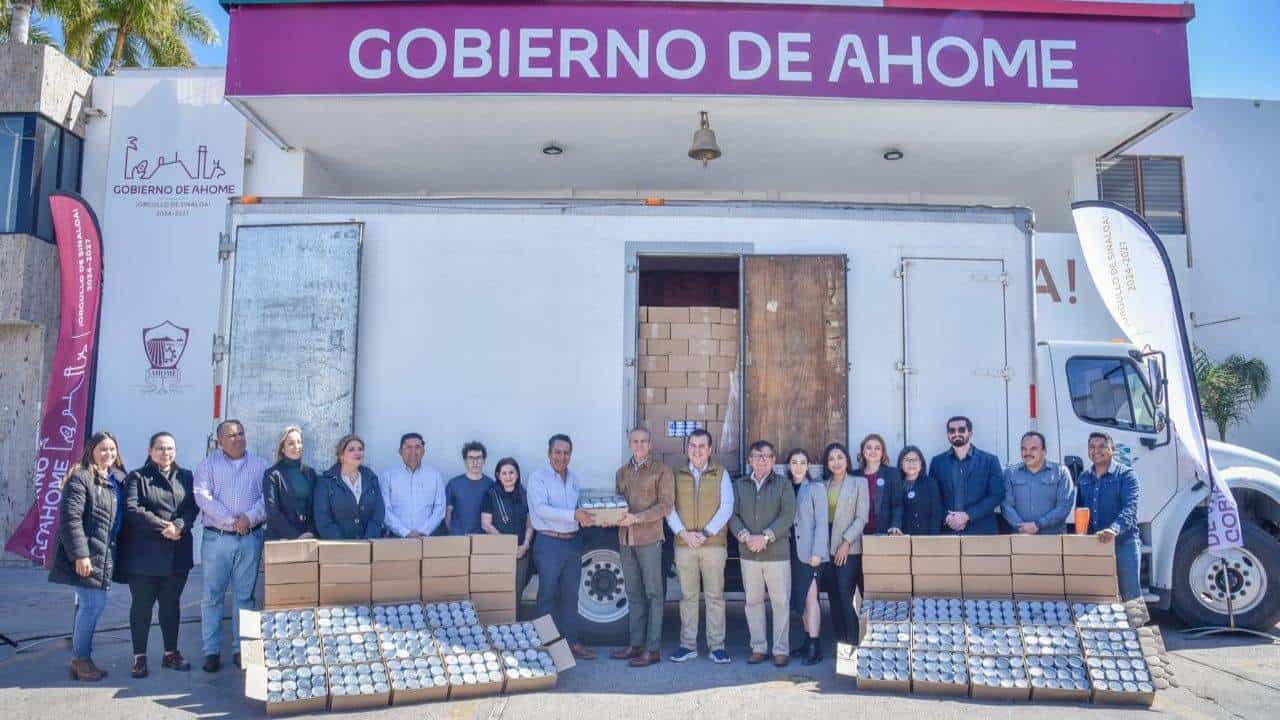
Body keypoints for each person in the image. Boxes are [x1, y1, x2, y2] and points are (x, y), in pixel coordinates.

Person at [118, 431, 198, 678]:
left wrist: (179, 526)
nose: (166, 453)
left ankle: (170, 654)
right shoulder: (137, 477)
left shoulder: (186, 476)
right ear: (150, 451)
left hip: (176, 553)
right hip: (144, 556)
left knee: (171, 606)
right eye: (161, 448)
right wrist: (164, 526)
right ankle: (139, 657)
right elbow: (132, 509)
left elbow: (192, 507)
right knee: (142, 607)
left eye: (170, 448)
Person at [48, 431, 126, 682]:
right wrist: (80, 555)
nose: (108, 453)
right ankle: (80, 660)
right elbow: (70, 519)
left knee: (93, 605)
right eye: (102, 449)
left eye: (112, 449)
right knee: (92, 605)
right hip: (87, 555)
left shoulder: (112, 479)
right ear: (91, 451)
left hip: (103, 553)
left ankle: (83, 658)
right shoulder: (81, 477)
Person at [194, 419, 269, 673]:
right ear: (220, 441)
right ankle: (211, 651)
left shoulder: (260, 465)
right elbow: (203, 497)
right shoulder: (208, 465)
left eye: (241, 433)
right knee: (212, 596)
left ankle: (241, 650)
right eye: (231, 435)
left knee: (245, 596)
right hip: (218, 538)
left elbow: (266, 499)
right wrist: (232, 521)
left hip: (250, 538)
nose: (238, 438)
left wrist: (249, 518)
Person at [666, 429, 735, 665]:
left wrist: (706, 533)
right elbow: (668, 506)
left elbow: (727, 506)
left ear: (710, 449)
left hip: (712, 544)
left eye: (702, 446)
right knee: (688, 596)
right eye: (693, 446)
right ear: (687, 448)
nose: (697, 450)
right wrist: (683, 533)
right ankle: (688, 645)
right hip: (684, 544)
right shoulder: (676, 473)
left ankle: (717, 647)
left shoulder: (720, 473)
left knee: (715, 596)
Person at [527, 434, 597, 660]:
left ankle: (572, 643)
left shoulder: (574, 478)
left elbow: (578, 507)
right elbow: (541, 509)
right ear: (549, 454)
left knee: (570, 596)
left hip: (572, 542)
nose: (562, 457)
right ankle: (547, 646)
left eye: (566, 453)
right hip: (549, 543)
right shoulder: (538, 478)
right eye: (557, 452)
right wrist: (573, 515)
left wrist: (592, 516)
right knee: (547, 595)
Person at [610, 427, 675, 667]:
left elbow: (666, 506)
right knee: (633, 593)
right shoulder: (621, 473)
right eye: (635, 441)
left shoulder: (662, 471)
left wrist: (637, 518)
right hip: (625, 540)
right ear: (630, 444)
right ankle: (635, 645)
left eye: (644, 441)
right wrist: (610, 516)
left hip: (649, 539)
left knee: (654, 594)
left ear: (650, 445)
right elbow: (618, 504)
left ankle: (652, 649)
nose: (639, 445)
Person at [731, 440, 796, 667]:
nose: (762, 460)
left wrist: (765, 537)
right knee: (753, 602)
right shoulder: (740, 485)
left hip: (777, 554)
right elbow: (732, 515)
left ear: (773, 460)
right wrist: (745, 536)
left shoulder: (783, 484)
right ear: (750, 460)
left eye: (767, 456)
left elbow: (788, 515)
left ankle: (780, 650)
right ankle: (758, 648)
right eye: (757, 456)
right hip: (749, 553)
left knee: (781, 603)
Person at [1076, 432, 1142, 600]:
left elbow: (1130, 508)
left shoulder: (1126, 476)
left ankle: (1136, 618)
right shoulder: (1084, 477)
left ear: (1112, 449)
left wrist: (1114, 529)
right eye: (1092, 447)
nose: (1096, 451)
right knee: (1099, 599)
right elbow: (1080, 511)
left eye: (1102, 447)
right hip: (1096, 545)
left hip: (1123, 543)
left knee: (1131, 597)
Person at [822, 441, 869, 644]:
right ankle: (840, 642)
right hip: (825, 546)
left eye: (840, 457)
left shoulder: (859, 483)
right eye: (831, 459)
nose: (836, 462)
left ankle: (853, 641)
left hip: (848, 547)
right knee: (832, 595)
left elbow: (862, 517)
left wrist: (846, 542)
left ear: (847, 460)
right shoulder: (821, 485)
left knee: (845, 595)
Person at [930, 416, 1005, 535]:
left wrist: (967, 515)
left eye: (961, 429)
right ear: (948, 434)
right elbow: (933, 497)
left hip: (981, 531)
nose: (956, 433)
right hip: (947, 531)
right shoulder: (937, 462)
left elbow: (997, 495)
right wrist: (948, 518)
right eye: (952, 430)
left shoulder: (990, 461)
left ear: (970, 433)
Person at [787, 448, 828, 665]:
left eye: (802, 462)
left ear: (808, 466)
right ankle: (806, 641)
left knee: (811, 598)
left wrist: (817, 552)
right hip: (791, 552)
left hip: (810, 552)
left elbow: (822, 522)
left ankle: (815, 646)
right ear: (789, 466)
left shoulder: (815, 488)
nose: (798, 466)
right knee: (801, 599)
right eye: (794, 462)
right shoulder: (785, 487)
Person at [479, 457, 534, 602]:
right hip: (499, 551)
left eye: (511, 472)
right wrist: (507, 545)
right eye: (504, 473)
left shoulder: (524, 494)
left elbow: (530, 522)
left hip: (521, 552)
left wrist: (525, 545)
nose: (508, 477)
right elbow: (486, 524)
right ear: (498, 475)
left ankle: (516, 616)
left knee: (517, 591)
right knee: (500, 592)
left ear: (517, 474)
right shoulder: (490, 494)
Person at [1002, 431, 1076, 535]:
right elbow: (1006, 505)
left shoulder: (1060, 472)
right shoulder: (1010, 473)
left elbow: (1064, 506)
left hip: (1053, 537)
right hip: (1021, 537)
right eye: (1024, 449)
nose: (1027, 453)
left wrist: (1038, 524)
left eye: (1033, 449)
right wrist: (1021, 526)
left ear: (1044, 451)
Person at [314, 434, 386, 540]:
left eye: (360, 449)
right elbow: (323, 519)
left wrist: (368, 541)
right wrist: (344, 544)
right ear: (341, 455)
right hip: (339, 545)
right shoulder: (326, 482)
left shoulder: (371, 479)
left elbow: (378, 513)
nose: (357, 452)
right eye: (351, 449)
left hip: (368, 544)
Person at [380, 432, 447, 538]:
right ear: (400, 451)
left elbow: (440, 509)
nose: (413, 452)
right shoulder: (388, 476)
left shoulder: (434, 475)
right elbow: (385, 510)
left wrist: (423, 531)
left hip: (427, 537)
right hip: (396, 538)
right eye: (408, 447)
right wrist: (405, 532)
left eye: (417, 447)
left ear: (423, 451)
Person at [263, 425, 319, 540]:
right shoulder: (272, 474)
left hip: (308, 536)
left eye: (299, 442)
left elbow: (317, 507)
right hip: (282, 538)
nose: (296, 446)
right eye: (291, 443)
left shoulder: (310, 473)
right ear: (282, 448)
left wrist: (310, 532)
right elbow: (273, 512)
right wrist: (296, 536)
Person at [852, 433, 903, 538]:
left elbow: (897, 505)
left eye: (877, 448)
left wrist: (895, 525)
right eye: (869, 448)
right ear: (863, 451)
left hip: (884, 533)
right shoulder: (854, 475)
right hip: (857, 535)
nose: (873, 451)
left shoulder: (892, 473)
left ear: (883, 452)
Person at [887, 446, 943, 536]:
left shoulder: (930, 483)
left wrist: (933, 538)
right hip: (901, 537)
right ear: (901, 464)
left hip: (925, 537)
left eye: (915, 460)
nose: (911, 463)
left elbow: (936, 514)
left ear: (921, 463)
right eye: (907, 460)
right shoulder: (895, 483)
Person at [446, 441, 494, 535]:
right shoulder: (453, 484)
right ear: (465, 461)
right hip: (458, 538)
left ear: (484, 460)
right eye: (471, 458)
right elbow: (448, 514)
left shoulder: (491, 485)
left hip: (482, 538)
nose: (475, 462)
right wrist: (453, 533)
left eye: (478, 458)